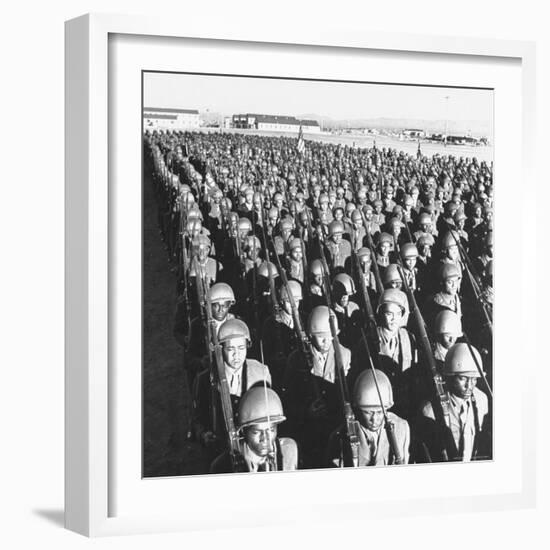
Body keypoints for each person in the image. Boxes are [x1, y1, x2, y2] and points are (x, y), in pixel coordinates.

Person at [282, 305, 351, 468]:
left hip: (337, 422)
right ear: (311, 336)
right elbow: (288, 399)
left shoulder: (345, 355)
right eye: (321, 337)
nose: (327, 341)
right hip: (309, 429)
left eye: (330, 336)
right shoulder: (296, 359)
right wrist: (306, 411)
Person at [193, 318, 271, 449]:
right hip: (222, 445)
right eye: (230, 349)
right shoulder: (205, 379)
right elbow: (197, 419)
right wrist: (203, 434)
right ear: (221, 350)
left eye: (241, 348)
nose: (237, 355)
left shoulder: (261, 372)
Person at [418, 343, 490, 462]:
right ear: (450, 377)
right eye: (463, 378)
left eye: (474, 379)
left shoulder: (481, 400)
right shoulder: (431, 410)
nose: (469, 385)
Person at [327, 369, 410, 466]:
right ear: (359, 409)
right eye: (368, 413)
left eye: (379, 412)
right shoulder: (341, 436)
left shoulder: (401, 428)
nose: (374, 420)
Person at [210, 387, 298, 473]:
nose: (265, 438)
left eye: (270, 430)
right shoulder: (223, 465)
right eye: (256, 432)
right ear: (243, 431)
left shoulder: (287, 450)